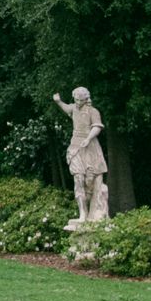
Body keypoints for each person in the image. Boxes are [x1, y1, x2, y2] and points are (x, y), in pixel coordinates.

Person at [54, 87, 109, 224]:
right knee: (78, 180)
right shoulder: (74, 108)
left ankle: (95, 213)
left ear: (86, 99)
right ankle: (82, 214)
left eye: (81, 100)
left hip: (90, 147)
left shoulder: (92, 111)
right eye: (76, 99)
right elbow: (67, 108)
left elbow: (97, 127)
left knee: (93, 181)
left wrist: (89, 138)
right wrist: (59, 101)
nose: (78, 102)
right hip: (76, 147)